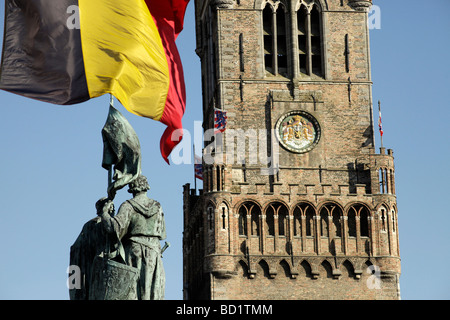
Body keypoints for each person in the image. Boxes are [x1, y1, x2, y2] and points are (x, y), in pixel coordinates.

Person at [98, 175, 167, 300]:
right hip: (154, 255)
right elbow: (161, 233)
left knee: (134, 292)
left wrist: (105, 214)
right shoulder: (158, 207)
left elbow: (114, 229)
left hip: (135, 254)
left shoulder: (128, 206)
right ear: (146, 187)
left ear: (131, 188)